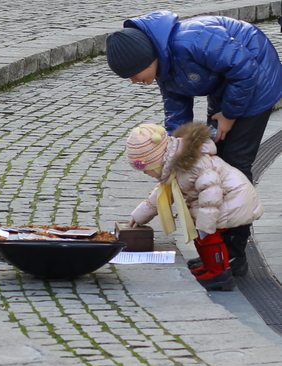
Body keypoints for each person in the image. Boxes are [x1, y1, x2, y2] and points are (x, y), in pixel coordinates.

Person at [106, 11, 282, 273]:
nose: (134, 81)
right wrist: (177, 154)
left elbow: (245, 70)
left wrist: (230, 115)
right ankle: (217, 249)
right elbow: (177, 113)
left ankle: (234, 252)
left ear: (146, 58)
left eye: (133, 73)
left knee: (233, 162)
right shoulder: (164, 67)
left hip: (257, 80)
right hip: (227, 86)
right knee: (210, 161)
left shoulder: (193, 39)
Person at [125, 122, 263, 291]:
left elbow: (211, 192)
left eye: (148, 169)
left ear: (158, 160)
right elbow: (160, 196)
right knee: (201, 235)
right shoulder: (174, 166)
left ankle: (220, 274)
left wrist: (206, 224)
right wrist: (139, 216)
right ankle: (210, 266)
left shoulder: (193, 165)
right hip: (221, 201)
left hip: (233, 200)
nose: (147, 174)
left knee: (208, 237)